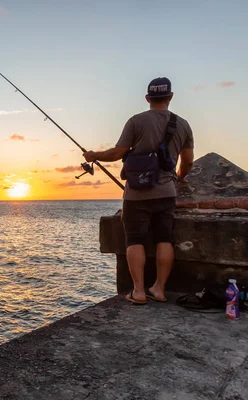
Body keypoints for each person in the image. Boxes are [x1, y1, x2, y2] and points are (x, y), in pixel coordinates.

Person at [83, 77, 194, 305]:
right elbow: (188, 161)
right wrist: (178, 179)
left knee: (134, 240)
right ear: (170, 97)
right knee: (165, 239)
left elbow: (117, 153)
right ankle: (160, 289)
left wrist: (94, 155)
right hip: (167, 192)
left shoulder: (136, 121)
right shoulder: (183, 125)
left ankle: (139, 292)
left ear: (147, 98)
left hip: (136, 194)